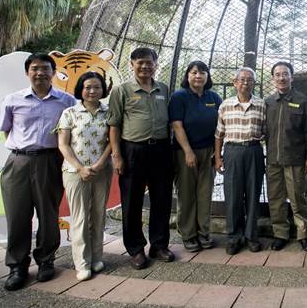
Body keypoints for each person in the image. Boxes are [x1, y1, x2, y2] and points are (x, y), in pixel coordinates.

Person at [0, 53, 76, 291]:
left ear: (53, 72)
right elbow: (6, 131)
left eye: (45, 68)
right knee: (17, 216)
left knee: (48, 213)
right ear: (27, 72)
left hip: (49, 161)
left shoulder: (67, 101)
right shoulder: (13, 100)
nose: (40, 72)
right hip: (18, 163)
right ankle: (17, 266)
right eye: (34, 68)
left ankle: (46, 260)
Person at [108, 47, 174, 270]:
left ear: (156, 65)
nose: (145, 66)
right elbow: (114, 125)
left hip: (161, 150)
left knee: (162, 199)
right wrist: (117, 155)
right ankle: (136, 249)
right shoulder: (122, 91)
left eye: (150, 63)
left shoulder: (163, 89)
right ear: (132, 64)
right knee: (132, 201)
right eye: (141, 63)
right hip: (133, 150)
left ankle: (159, 244)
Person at [57, 72, 113, 281]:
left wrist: (99, 164)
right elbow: (63, 144)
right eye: (87, 87)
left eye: (96, 87)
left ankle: (97, 256)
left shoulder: (109, 112)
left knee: (99, 214)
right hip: (74, 172)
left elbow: (112, 141)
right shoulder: (69, 112)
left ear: (102, 89)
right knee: (80, 216)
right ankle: (82, 262)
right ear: (80, 88)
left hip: (102, 170)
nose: (92, 91)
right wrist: (80, 167)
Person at [169, 61, 222, 252]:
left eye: (202, 73)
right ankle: (188, 234)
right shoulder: (179, 97)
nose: (198, 76)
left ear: (207, 76)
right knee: (186, 193)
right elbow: (177, 125)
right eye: (194, 73)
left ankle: (203, 232)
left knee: (204, 193)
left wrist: (218, 153)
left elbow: (220, 126)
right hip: (185, 152)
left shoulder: (214, 97)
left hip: (208, 151)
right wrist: (188, 151)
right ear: (188, 76)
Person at [214, 67, 266, 255]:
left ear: (254, 83)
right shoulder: (225, 105)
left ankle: (252, 236)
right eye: (242, 79)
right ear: (235, 82)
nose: (246, 83)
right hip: (232, 151)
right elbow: (218, 134)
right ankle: (234, 237)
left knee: (253, 195)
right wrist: (218, 157)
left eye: (249, 80)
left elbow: (267, 131)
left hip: (253, 150)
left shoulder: (261, 105)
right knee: (233, 196)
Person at [264, 61, 307, 252]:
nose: (281, 78)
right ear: (273, 78)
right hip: (273, 160)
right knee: (275, 198)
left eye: (285, 74)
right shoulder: (268, 102)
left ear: (292, 77)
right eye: (277, 74)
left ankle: (303, 233)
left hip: (295, 159)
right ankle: (280, 233)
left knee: (297, 197)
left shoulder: (302, 101)